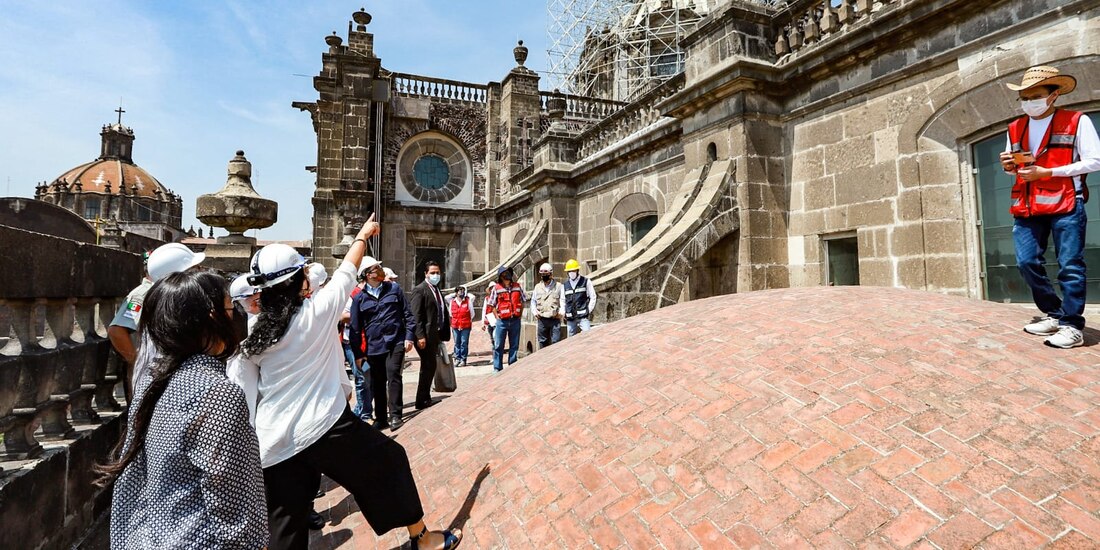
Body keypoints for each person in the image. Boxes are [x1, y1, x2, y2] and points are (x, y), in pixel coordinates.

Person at [228, 217, 461, 550]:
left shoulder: (252, 333)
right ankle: (423, 540)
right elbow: (347, 270)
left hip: (273, 442)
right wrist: (363, 235)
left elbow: (245, 392)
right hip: (325, 426)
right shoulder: (317, 312)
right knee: (389, 461)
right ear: (297, 281)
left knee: (284, 526)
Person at [101, 270, 267, 549]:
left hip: (150, 536)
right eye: (230, 308)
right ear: (213, 317)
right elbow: (231, 500)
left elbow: (130, 482)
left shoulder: (153, 380)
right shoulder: (217, 393)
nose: (235, 315)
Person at [1000, 65, 1100, 349]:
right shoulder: (1015, 127)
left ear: (1053, 95)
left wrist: (1049, 173)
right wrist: (1008, 167)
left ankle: (1072, 326)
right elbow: (1016, 170)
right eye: (1024, 96)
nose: (1029, 101)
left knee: (1070, 265)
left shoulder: (1077, 121)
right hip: (1028, 205)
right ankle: (1054, 313)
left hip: (1067, 202)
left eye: (1035, 95)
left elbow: (1096, 160)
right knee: (1026, 262)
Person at [108, 243, 205, 401]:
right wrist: (137, 359)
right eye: (194, 269)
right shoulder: (142, 295)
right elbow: (117, 331)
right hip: (152, 376)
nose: (199, 271)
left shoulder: (176, 295)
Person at [348, 257, 416, 430]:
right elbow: (355, 329)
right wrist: (358, 355)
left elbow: (408, 314)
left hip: (396, 341)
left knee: (394, 374)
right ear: (367, 275)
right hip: (374, 346)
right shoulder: (359, 299)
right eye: (376, 268)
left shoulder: (394, 289)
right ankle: (381, 418)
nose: (380, 270)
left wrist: (409, 337)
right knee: (378, 382)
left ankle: (395, 415)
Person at [410, 261, 451, 410]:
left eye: (438, 272)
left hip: (435, 334)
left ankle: (424, 397)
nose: (436, 275)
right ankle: (421, 400)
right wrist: (420, 336)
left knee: (430, 366)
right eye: (432, 272)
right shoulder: (420, 290)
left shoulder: (436, 289)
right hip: (424, 336)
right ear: (426, 274)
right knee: (428, 365)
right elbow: (416, 315)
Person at [485, 266, 526, 372]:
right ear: (501, 277)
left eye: (508, 273)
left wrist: (520, 315)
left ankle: (512, 365)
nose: (507, 276)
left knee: (514, 344)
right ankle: (497, 367)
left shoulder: (517, 287)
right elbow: (492, 304)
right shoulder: (497, 288)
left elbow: (523, 301)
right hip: (502, 321)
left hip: (515, 320)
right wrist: (497, 317)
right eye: (504, 274)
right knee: (498, 345)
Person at [531, 263, 564, 349]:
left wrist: (561, 313)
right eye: (542, 274)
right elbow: (533, 301)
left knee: (556, 341)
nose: (544, 276)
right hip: (542, 319)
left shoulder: (559, 286)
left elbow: (563, 300)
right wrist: (535, 312)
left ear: (551, 274)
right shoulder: (537, 287)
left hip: (554, 318)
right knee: (542, 341)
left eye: (546, 274)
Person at [563, 258, 597, 337]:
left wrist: (588, 310)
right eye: (570, 271)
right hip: (570, 318)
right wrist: (563, 311)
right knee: (570, 340)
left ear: (577, 270)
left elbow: (593, 296)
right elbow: (563, 300)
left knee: (587, 335)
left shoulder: (585, 281)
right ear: (567, 272)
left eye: (573, 271)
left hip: (583, 317)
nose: (572, 273)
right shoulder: (565, 285)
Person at [446, 285, 475, 366]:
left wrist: (466, 294)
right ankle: (457, 358)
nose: (461, 292)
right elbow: (446, 297)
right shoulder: (452, 301)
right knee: (456, 343)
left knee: (464, 343)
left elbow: (472, 314)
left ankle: (463, 359)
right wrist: (455, 294)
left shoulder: (468, 301)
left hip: (465, 325)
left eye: (462, 291)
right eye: (459, 290)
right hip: (455, 325)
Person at [482, 282, 497, 349]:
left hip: (497, 319)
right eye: (491, 288)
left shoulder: (499, 297)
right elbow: (484, 310)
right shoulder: (487, 298)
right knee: (492, 337)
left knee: (495, 336)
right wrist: (483, 323)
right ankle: (494, 354)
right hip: (490, 319)